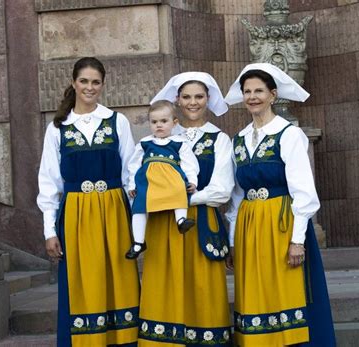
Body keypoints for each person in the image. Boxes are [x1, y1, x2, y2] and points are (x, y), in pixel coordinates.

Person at [225, 63, 336, 346]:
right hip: (249, 227)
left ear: (273, 95)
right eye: (247, 91)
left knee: (285, 292)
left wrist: (297, 240)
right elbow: (237, 196)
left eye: (259, 91)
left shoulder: (288, 134)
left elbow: (304, 193)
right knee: (255, 294)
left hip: (281, 224)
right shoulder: (238, 140)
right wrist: (233, 240)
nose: (252, 97)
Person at [37, 57, 140, 347]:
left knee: (119, 281)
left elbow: (131, 174)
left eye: (95, 82)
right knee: (82, 283)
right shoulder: (58, 127)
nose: (89, 87)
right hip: (76, 215)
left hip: (114, 211)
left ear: (103, 85)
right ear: (73, 82)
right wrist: (49, 230)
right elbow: (49, 182)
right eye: (84, 81)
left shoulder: (116, 121)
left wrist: (137, 223)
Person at [137, 72, 234, 346]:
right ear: (177, 100)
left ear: (208, 99)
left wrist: (172, 197)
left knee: (203, 290)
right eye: (187, 97)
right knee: (165, 285)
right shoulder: (160, 136)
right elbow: (138, 175)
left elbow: (222, 189)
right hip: (164, 222)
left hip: (202, 220)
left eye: (199, 97)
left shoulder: (220, 139)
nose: (193, 102)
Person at [125, 100, 199, 259]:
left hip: (172, 180)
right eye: (154, 122)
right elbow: (133, 165)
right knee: (139, 205)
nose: (159, 125)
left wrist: (192, 181)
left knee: (179, 191)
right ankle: (138, 242)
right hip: (148, 181)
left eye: (164, 121)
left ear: (174, 123)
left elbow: (190, 164)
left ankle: (181, 221)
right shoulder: (145, 144)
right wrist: (132, 184)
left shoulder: (179, 143)